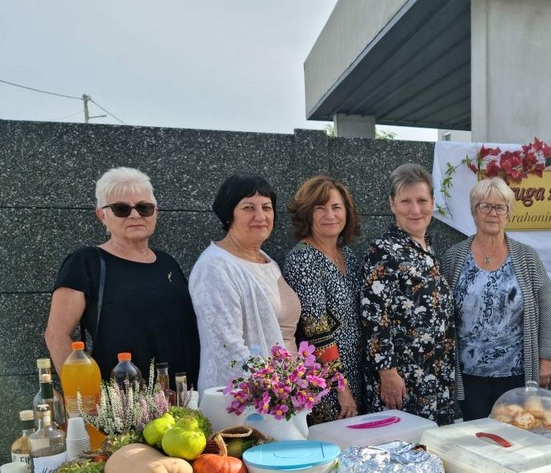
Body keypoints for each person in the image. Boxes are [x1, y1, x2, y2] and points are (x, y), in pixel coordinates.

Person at [45, 167, 200, 383]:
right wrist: (81, 393)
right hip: (124, 395)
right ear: (102, 214)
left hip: (184, 390)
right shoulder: (86, 263)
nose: (135, 215)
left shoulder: (167, 262)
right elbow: (56, 334)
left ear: (156, 211)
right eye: (121, 209)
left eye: (144, 208)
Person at [441, 177, 551, 421]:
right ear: (474, 211)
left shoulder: (527, 257)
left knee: (516, 434)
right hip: (469, 375)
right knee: (477, 435)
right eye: (485, 206)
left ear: (508, 213)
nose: (493, 213)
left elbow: (546, 307)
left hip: (516, 373)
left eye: (500, 207)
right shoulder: (454, 257)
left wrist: (545, 358)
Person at [360, 164, 455, 425]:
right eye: (406, 201)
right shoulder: (383, 250)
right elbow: (373, 316)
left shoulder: (427, 248)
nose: (415, 210)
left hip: (435, 377)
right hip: (402, 381)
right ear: (392, 204)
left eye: (422, 201)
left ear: (432, 202)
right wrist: (388, 373)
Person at [189, 174, 301, 392]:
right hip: (244, 397)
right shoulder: (214, 267)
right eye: (248, 208)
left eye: (266, 207)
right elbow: (227, 347)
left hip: (281, 391)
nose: (260, 216)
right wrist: (273, 390)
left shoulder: (267, 261)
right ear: (228, 214)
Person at [283, 176, 364, 423]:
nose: (330, 215)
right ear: (307, 214)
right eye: (320, 208)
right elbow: (316, 330)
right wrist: (341, 388)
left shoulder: (348, 256)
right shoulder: (303, 259)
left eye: (336, 207)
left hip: (356, 373)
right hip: (326, 385)